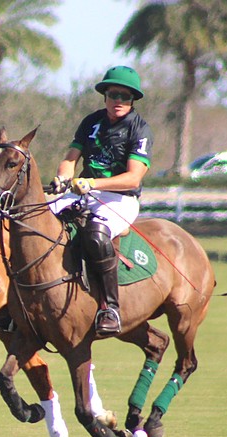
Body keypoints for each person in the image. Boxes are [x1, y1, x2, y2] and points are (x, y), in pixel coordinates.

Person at [48, 66, 154, 336]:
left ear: (133, 100)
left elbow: (133, 178)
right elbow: (70, 158)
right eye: (113, 94)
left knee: (96, 235)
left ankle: (110, 308)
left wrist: (93, 183)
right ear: (105, 96)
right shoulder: (91, 122)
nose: (118, 100)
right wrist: (63, 177)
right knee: (39, 222)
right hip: (83, 191)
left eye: (125, 96)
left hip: (120, 198)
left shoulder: (139, 129)